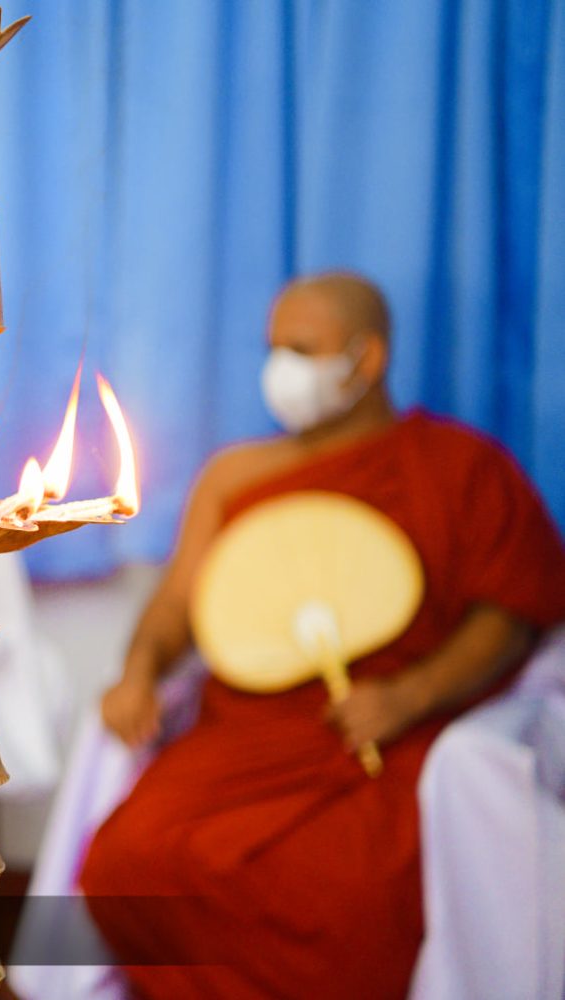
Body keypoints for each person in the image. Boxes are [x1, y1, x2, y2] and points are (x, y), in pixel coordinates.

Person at [80, 272, 565, 998]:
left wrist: (408, 696)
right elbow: (177, 604)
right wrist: (139, 672)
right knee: (128, 860)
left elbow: (510, 614)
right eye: (273, 349)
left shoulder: (461, 467)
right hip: (250, 732)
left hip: (389, 734)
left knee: (352, 896)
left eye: (303, 351)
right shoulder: (235, 476)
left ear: (368, 359)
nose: (282, 370)